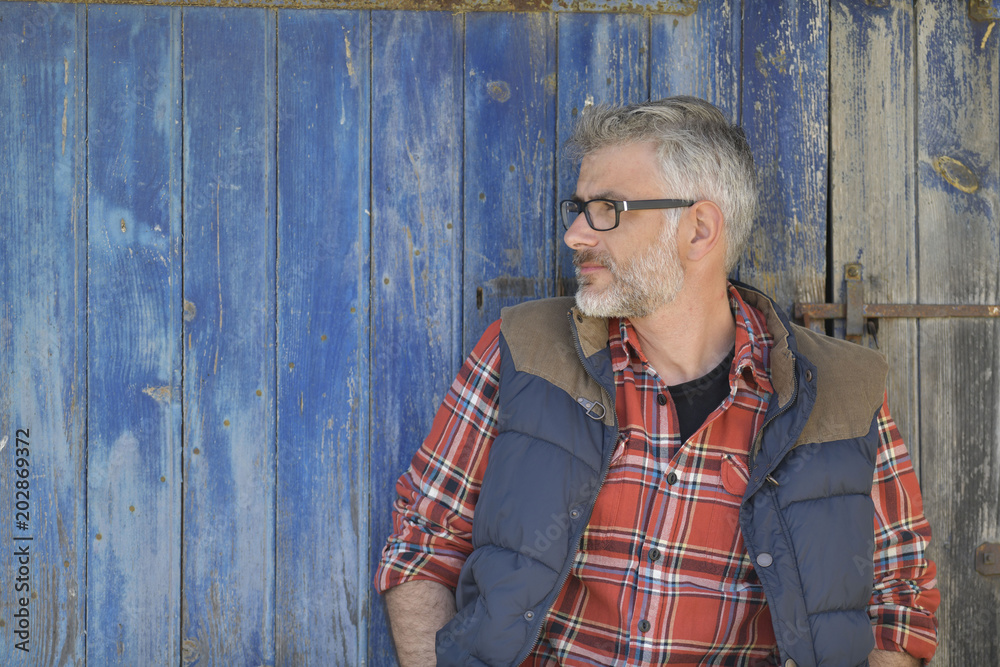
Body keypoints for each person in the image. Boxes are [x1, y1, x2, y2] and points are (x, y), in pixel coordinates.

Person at [375, 97, 939, 667]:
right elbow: (423, 543)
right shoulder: (522, 350)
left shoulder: (841, 391)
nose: (575, 234)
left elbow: (902, 600)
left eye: (607, 209)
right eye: (577, 208)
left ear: (698, 229)